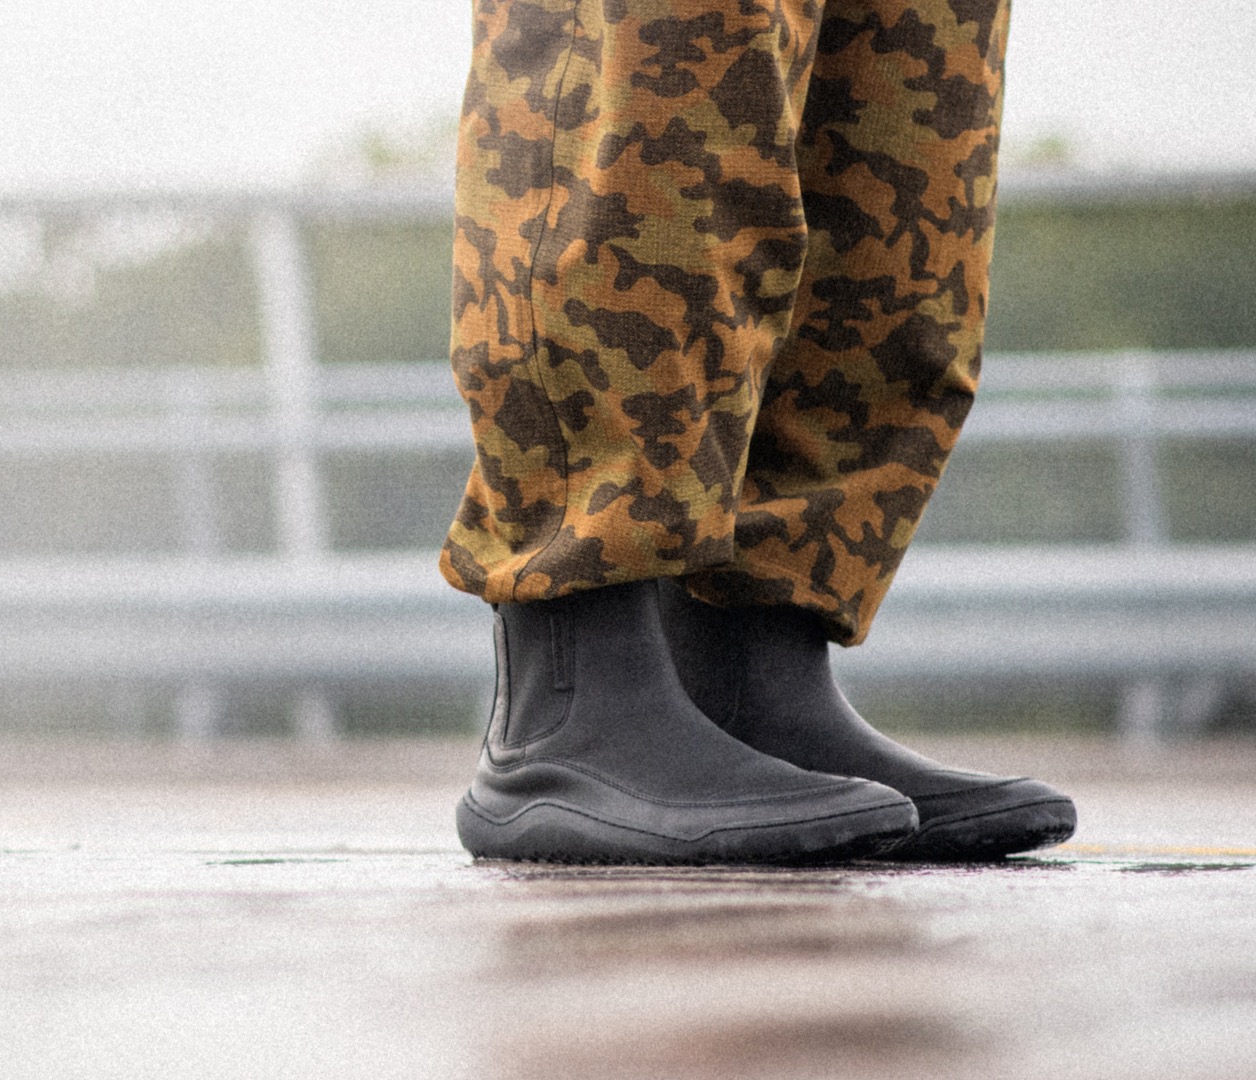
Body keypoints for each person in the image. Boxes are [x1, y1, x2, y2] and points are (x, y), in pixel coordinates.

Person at [443, 0, 1076, 862]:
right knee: (671, 61)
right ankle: (570, 715)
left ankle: (749, 692)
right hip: (573, 663)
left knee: (905, 110)